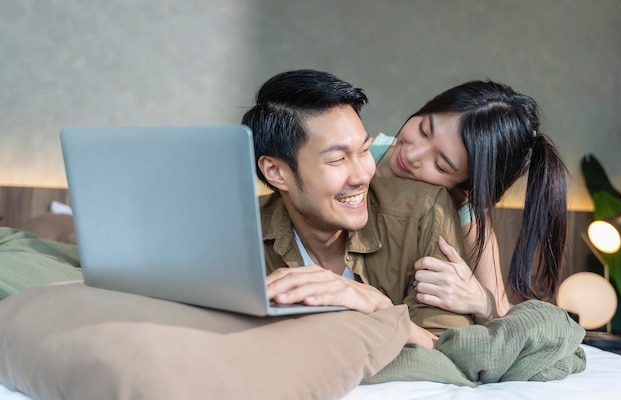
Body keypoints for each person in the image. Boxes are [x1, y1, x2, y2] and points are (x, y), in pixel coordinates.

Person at [241, 69, 474, 348]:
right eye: (338, 159)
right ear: (276, 172)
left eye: (364, 150)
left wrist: (378, 308)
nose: (363, 175)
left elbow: (451, 353)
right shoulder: (241, 234)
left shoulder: (424, 211)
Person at [372, 80, 568, 323]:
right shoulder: (352, 155)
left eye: (441, 165)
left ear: (465, 186)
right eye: (424, 129)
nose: (412, 155)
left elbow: (501, 316)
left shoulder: (462, 212)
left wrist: (481, 301)